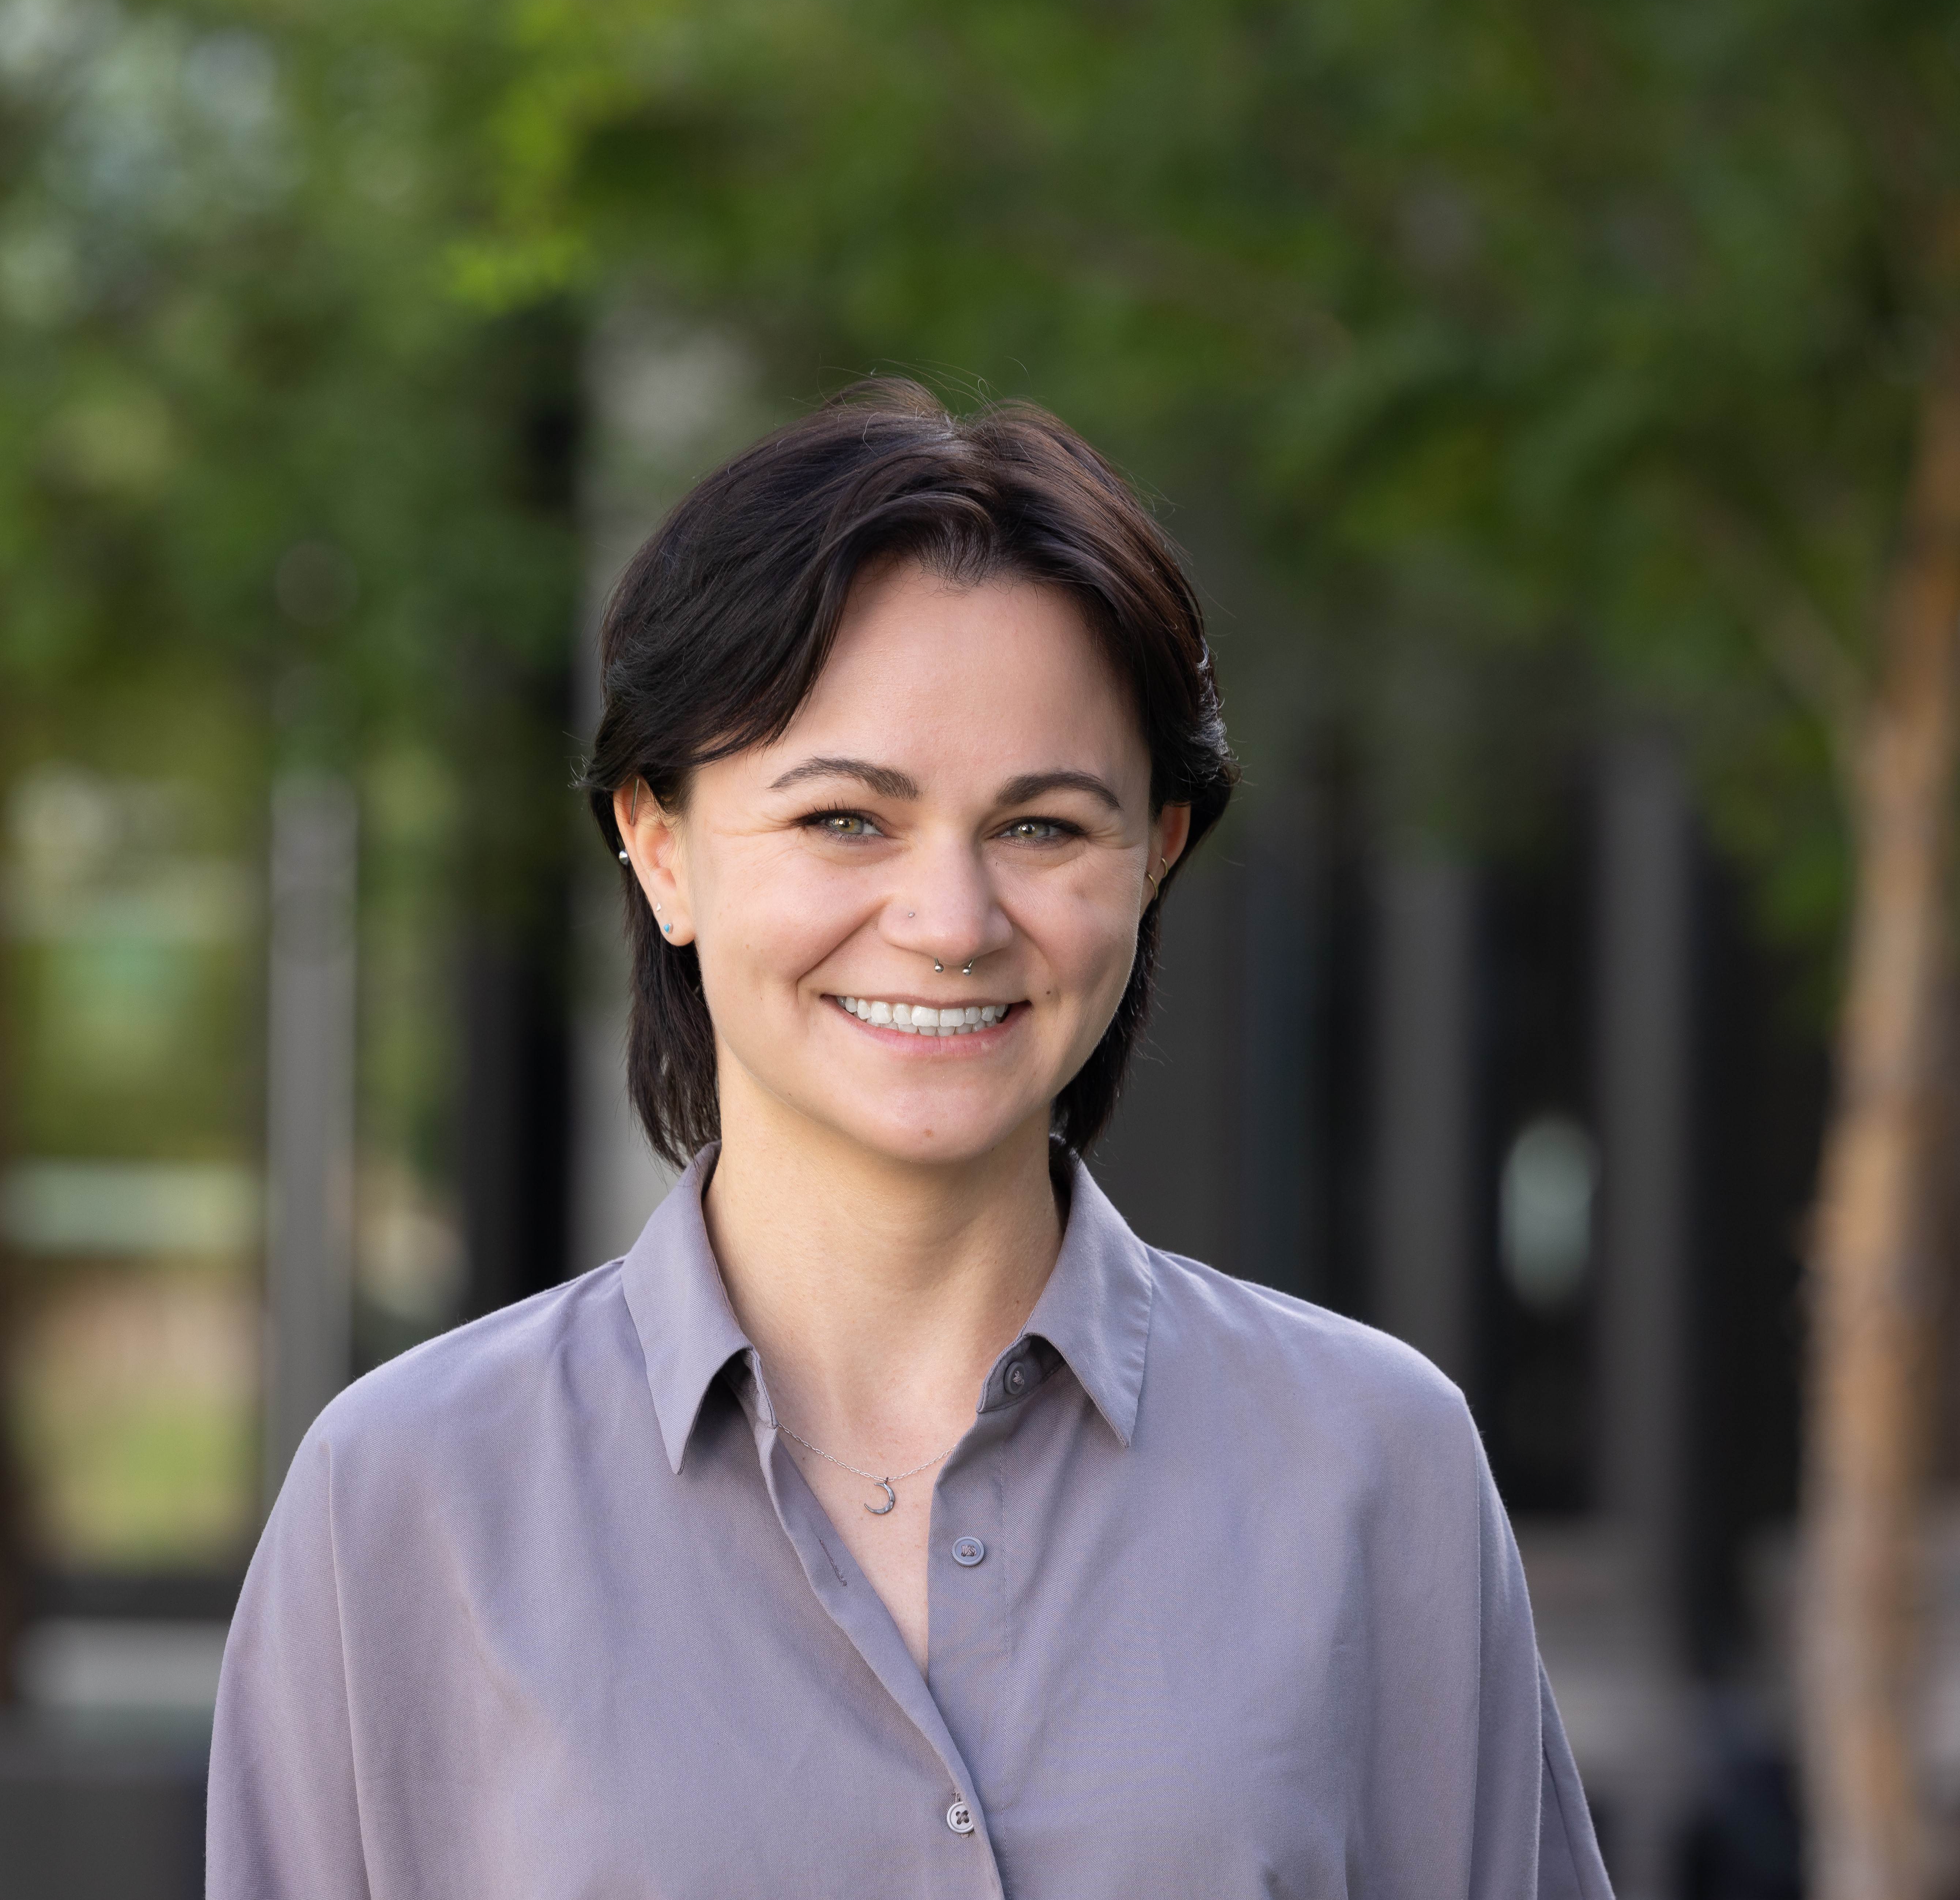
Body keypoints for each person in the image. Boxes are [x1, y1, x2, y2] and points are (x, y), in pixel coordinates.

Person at [208, 379, 1611, 1897]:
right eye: (844, 821)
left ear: (1156, 859)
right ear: (661, 846)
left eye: (1043, 827)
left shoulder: (1373, 1465)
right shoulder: (407, 1494)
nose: (949, 922)